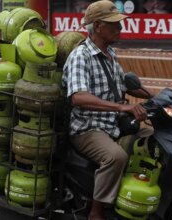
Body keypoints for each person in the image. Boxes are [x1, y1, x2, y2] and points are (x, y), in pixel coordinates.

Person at [62, 1, 154, 219]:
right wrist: (123, 106)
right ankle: (96, 211)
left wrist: (156, 97)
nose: (119, 28)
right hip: (87, 128)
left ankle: (133, 196)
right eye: (113, 24)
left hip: (111, 123)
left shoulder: (111, 54)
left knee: (153, 138)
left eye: (119, 24)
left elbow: (125, 84)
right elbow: (78, 97)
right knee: (116, 157)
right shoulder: (80, 56)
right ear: (97, 26)